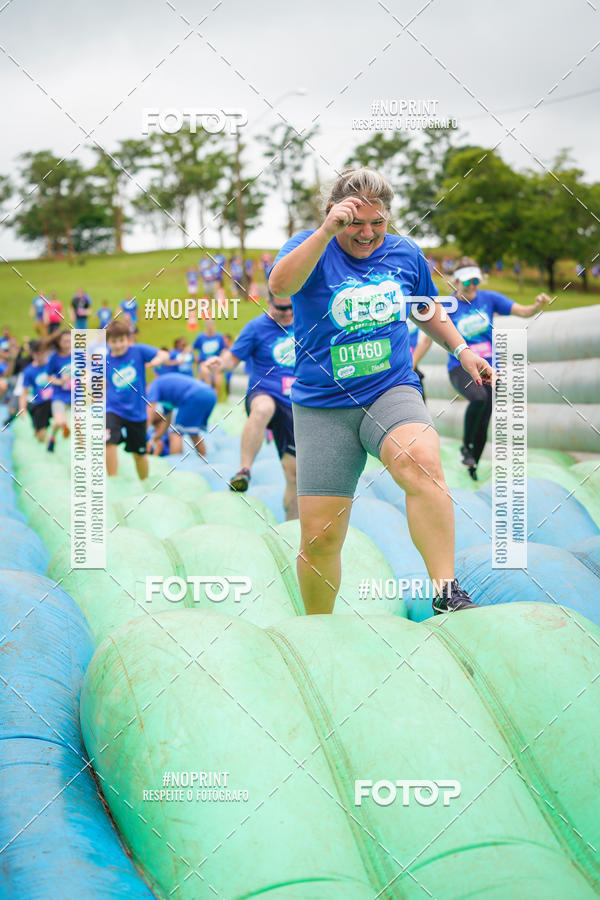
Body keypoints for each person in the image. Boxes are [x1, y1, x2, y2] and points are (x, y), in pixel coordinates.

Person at [268, 167, 497, 616]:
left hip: (389, 390)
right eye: (355, 223)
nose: (368, 233)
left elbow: (425, 307)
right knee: (320, 536)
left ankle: (446, 591)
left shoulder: (406, 253)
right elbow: (280, 286)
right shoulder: (306, 247)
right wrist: (327, 230)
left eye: (379, 222)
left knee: (421, 460)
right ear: (334, 214)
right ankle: (319, 628)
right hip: (323, 405)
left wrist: (461, 350)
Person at [414, 257, 550, 479]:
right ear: (456, 281)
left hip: (489, 370)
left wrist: (537, 305)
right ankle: (466, 447)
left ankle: (473, 464)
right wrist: (412, 364)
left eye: (476, 281)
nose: (472, 286)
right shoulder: (448, 306)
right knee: (479, 398)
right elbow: (427, 340)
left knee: (485, 419)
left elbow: (523, 311)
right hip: (460, 369)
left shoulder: (489, 299)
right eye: (467, 282)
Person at [206, 293, 298, 520]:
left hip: (295, 403)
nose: (287, 314)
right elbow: (232, 357)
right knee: (263, 409)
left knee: (294, 475)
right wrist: (221, 363)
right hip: (264, 392)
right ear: (269, 302)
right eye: (281, 309)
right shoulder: (256, 327)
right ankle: (244, 470)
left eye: (290, 308)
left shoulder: (305, 320)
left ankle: (292, 529)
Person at [104, 320, 168, 480]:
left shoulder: (138, 351)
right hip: (113, 409)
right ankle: (113, 480)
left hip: (137, 412)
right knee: (108, 442)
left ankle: (144, 484)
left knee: (139, 453)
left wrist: (156, 361)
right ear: (107, 342)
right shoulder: (104, 361)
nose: (118, 345)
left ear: (128, 339)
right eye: (114, 341)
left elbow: (164, 355)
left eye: (121, 340)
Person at [146, 373, 217, 458]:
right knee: (193, 432)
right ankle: (204, 459)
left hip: (195, 395)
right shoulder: (165, 394)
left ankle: (176, 465)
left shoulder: (154, 385)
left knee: (175, 433)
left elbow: (150, 410)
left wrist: (142, 432)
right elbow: (167, 421)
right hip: (210, 394)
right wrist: (156, 438)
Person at [19, 340, 53, 442]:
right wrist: (22, 407)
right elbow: (24, 392)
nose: (39, 356)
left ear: (45, 352)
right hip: (39, 404)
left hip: (53, 401)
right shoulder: (29, 371)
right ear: (32, 354)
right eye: (36, 354)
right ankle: (37, 430)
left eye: (41, 353)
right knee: (40, 436)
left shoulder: (52, 364)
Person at [45, 330, 72, 452]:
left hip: (76, 396)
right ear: (59, 343)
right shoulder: (54, 358)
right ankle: (53, 437)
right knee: (59, 421)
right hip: (59, 395)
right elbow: (48, 377)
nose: (68, 343)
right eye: (65, 341)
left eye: (70, 340)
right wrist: (60, 381)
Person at [195, 318, 226, 393]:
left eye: (211, 325)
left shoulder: (219, 337)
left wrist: (221, 358)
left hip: (215, 363)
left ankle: (216, 399)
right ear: (206, 326)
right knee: (205, 372)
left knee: (218, 382)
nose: (210, 327)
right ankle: (209, 390)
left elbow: (223, 350)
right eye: (208, 325)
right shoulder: (201, 337)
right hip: (204, 362)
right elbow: (194, 347)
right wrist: (195, 358)